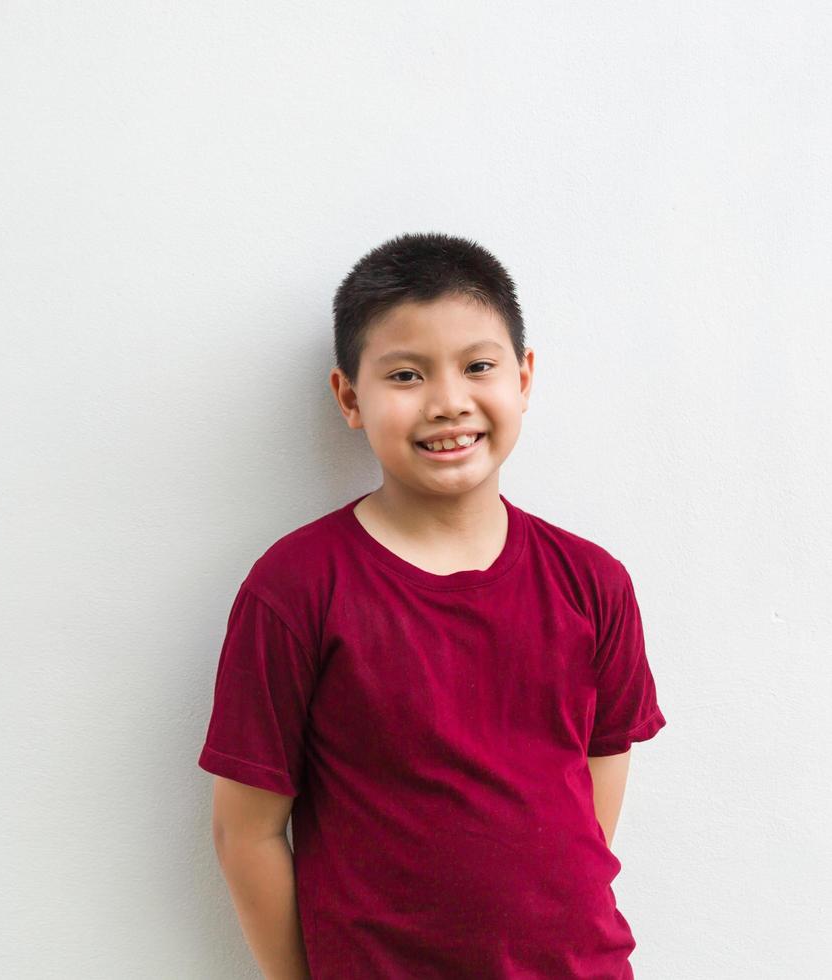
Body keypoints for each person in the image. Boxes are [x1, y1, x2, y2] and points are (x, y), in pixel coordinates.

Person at [197, 232, 667, 979]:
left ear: (523, 377)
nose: (450, 402)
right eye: (407, 375)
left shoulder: (592, 581)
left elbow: (595, 792)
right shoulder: (296, 588)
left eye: (478, 366)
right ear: (351, 398)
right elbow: (245, 833)